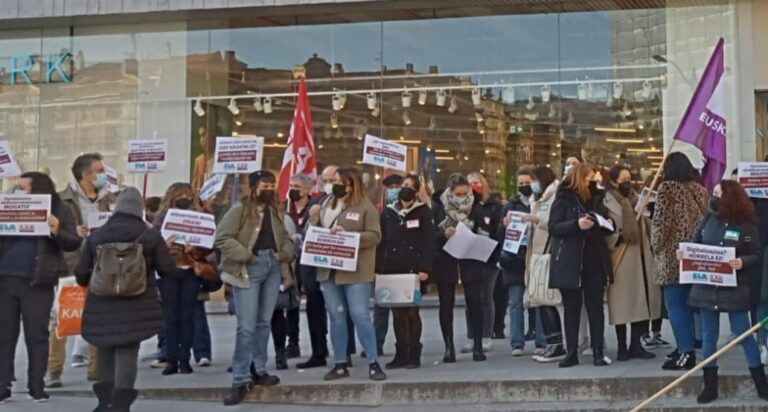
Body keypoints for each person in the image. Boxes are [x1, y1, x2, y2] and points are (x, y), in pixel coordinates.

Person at [74, 187, 176, 412]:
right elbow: (168, 270)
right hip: (137, 302)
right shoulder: (149, 235)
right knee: (128, 351)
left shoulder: (97, 235)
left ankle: (104, 401)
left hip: (101, 302)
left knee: (104, 348)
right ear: (139, 209)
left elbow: (81, 273)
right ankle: (121, 404)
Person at [685, 180, 768, 404]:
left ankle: (761, 382)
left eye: (718, 193)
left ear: (730, 196)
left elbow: (757, 253)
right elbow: (695, 245)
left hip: (735, 287)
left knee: (743, 333)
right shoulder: (708, 219)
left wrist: (742, 261)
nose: (714, 197)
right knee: (709, 336)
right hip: (707, 287)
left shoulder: (747, 224)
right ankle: (710, 386)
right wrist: (684, 256)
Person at [0, 172, 80, 403]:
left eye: (23, 188)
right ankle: (3, 384)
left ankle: (37, 385)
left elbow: (73, 242)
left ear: (38, 189)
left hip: (38, 281)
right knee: (5, 335)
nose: (18, 192)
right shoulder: (8, 207)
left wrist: (55, 230)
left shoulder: (59, 209)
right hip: (5, 279)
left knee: (37, 335)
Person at [217, 170, 295, 406]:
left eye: (272, 184)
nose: (269, 188)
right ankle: (240, 378)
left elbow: (285, 240)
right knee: (247, 326)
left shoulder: (275, 212)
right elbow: (222, 238)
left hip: (272, 266)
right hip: (249, 267)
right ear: (253, 187)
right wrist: (247, 256)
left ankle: (259, 368)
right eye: (265, 184)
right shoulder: (239, 210)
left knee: (263, 322)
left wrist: (284, 254)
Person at [308, 167, 386, 381]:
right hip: (329, 270)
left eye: (341, 182)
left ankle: (373, 361)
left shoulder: (365, 207)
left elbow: (375, 236)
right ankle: (340, 362)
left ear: (352, 185)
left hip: (356, 271)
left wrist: (350, 236)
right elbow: (314, 235)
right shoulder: (325, 204)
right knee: (337, 317)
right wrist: (313, 223)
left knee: (360, 315)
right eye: (334, 181)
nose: (336, 185)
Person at [47, 153, 111, 388]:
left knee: (98, 315)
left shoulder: (109, 198)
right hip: (71, 262)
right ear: (86, 175)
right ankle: (53, 370)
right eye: (100, 170)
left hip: (102, 263)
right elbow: (54, 231)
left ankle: (96, 368)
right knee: (60, 317)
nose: (104, 174)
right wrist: (73, 231)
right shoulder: (61, 200)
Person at [549, 163, 614, 368]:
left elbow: (607, 223)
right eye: (588, 178)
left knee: (596, 307)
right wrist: (576, 224)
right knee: (571, 308)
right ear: (579, 178)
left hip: (594, 259)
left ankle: (597, 350)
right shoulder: (563, 198)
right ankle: (571, 352)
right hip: (570, 260)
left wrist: (604, 223)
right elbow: (554, 226)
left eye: (593, 177)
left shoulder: (598, 198)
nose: (592, 181)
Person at [650, 152, 709, 371]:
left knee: (674, 305)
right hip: (695, 255)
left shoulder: (667, 190)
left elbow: (660, 225)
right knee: (688, 304)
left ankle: (685, 351)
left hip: (673, 257)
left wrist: (656, 247)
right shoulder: (700, 190)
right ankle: (685, 345)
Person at [152, 183, 216, 376]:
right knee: (171, 317)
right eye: (180, 196)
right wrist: (165, 246)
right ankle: (171, 358)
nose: (185, 199)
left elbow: (210, 247)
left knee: (188, 316)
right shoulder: (161, 221)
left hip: (190, 271)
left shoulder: (202, 218)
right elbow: (152, 247)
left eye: (188, 196)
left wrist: (195, 249)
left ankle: (184, 359)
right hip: (168, 273)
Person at [376, 174, 435, 369]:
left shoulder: (424, 212)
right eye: (404, 185)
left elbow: (429, 242)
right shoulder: (388, 213)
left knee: (411, 312)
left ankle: (413, 353)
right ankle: (400, 353)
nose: (405, 189)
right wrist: (379, 269)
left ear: (416, 190)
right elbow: (381, 242)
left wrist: (425, 268)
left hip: (414, 271)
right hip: (392, 269)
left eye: (410, 186)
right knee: (397, 313)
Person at [603, 165, 659, 362]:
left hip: (642, 258)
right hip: (621, 258)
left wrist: (649, 217)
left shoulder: (639, 200)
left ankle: (636, 344)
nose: (627, 182)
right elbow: (603, 230)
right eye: (623, 179)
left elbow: (648, 227)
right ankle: (621, 347)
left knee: (640, 303)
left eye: (629, 177)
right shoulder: (606, 201)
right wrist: (617, 237)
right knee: (621, 306)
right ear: (613, 182)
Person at [433, 173, 486, 362]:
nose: (462, 197)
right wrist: (443, 234)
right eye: (458, 193)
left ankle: (478, 344)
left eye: (465, 193)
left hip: (470, 260)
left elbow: (485, 228)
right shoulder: (439, 206)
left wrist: (480, 232)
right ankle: (449, 346)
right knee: (446, 304)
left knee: (475, 303)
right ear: (450, 191)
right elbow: (431, 234)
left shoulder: (476, 207)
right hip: (446, 261)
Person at [498, 167, 545, 355]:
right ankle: (517, 343)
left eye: (528, 183)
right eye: (521, 184)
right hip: (515, 261)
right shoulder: (510, 205)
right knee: (516, 303)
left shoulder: (541, 203)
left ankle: (541, 341)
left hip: (536, 257)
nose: (525, 186)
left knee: (540, 302)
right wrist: (504, 225)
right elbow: (499, 235)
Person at [524, 166, 568, 363]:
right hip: (536, 252)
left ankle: (557, 343)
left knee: (547, 298)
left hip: (548, 252)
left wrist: (536, 220)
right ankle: (550, 341)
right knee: (540, 300)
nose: (531, 184)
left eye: (533, 180)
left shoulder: (555, 195)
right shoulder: (536, 198)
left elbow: (554, 222)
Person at [271, 173, 313, 370]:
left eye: (297, 186)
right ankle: (292, 342)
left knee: (303, 303)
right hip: (287, 262)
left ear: (307, 189)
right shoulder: (283, 208)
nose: (293, 189)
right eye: (291, 185)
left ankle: (315, 345)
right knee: (287, 302)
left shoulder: (314, 208)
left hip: (308, 262)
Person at [371, 174, 404, 357]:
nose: (393, 189)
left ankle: (405, 344)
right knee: (380, 310)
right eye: (389, 187)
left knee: (402, 311)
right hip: (384, 267)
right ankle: (377, 344)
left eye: (395, 186)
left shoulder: (410, 211)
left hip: (403, 267)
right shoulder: (381, 213)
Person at [192, 125, 213, 191]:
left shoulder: (220, 158)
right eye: (200, 137)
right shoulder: (199, 160)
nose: (201, 140)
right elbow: (195, 183)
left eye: (203, 135)